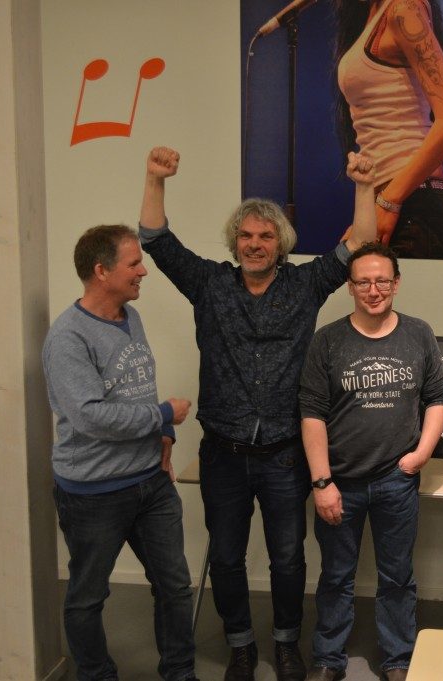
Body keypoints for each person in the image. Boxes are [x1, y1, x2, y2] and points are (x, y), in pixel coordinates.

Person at [138, 146, 376, 681]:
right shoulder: (209, 284)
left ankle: (287, 643)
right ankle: (241, 646)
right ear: (235, 242)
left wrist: (363, 187)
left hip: (285, 455)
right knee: (225, 558)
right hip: (223, 454)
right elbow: (156, 240)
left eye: (265, 236)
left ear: (280, 244)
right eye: (245, 235)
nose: (254, 244)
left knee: (288, 558)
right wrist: (155, 178)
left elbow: (360, 242)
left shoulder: (305, 285)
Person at [44, 224, 197, 681]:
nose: (143, 271)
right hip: (93, 494)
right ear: (101, 271)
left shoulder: (131, 317)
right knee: (88, 597)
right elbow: (91, 417)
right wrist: (164, 413)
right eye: (134, 263)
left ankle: (180, 672)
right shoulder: (68, 338)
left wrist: (163, 432)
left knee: (174, 586)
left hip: (150, 483)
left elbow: (134, 390)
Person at [299, 241, 443, 681]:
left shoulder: (418, 333)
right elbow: (312, 413)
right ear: (349, 287)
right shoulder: (328, 340)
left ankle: (398, 658)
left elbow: (438, 397)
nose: (373, 290)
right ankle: (328, 658)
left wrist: (420, 455)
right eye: (363, 281)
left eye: (382, 280)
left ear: (396, 283)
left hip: (396, 480)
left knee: (397, 576)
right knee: (335, 576)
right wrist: (321, 482)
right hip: (339, 482)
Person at [334, 0, 443, 259]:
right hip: (391, 200)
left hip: (413, 204)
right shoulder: (372, 13)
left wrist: (389, 202)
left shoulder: (404, 8)